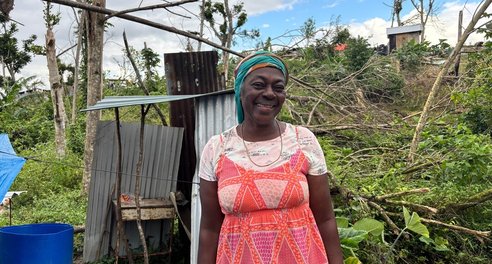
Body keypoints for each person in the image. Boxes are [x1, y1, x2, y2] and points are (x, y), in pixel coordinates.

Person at [198, 51, 343, 264]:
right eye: (258, 85)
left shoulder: (303, 140)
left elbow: (326, 219)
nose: (269, 93)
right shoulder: (217, 148)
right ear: (240, 89)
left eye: (278, 88)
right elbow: (210, 230)